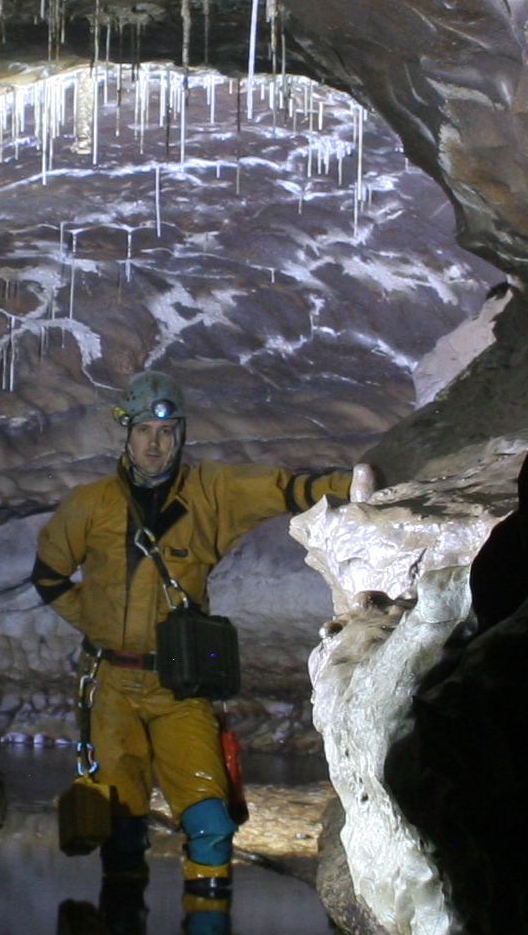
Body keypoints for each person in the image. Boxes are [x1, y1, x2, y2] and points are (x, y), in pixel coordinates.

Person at [29, 370, 366, 893]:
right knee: (120, 823)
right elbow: (49, 577)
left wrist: (351, 485)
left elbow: (279, 488)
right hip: (110, 684)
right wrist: (99, 624)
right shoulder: (89, 504)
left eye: (165, 432)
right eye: (144, 431)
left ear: (179, 435)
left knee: (209, 821)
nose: (154, 444)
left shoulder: (212, 493)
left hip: (180, 684)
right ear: (127, 435)